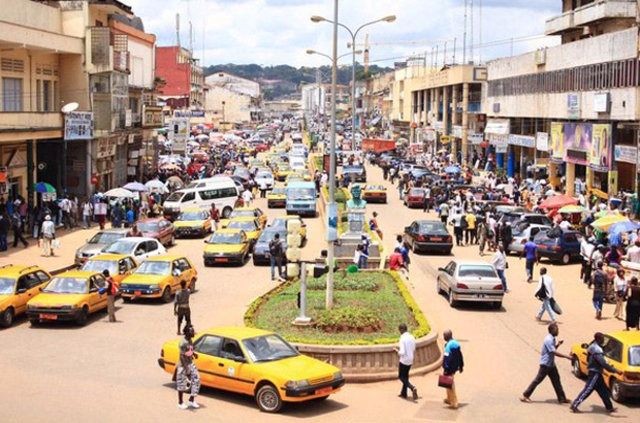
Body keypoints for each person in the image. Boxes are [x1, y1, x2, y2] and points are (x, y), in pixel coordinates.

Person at [570, 332, 622, 413]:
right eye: (602, 339)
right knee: (588, 390)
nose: (603, 340)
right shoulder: (597, 350)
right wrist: (615, 370)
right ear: (598, 339)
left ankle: (609, 407)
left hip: (597, 373)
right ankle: (575, 404)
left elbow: (588, 359)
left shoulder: (592, 346)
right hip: (595, 373)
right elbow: (603, 363)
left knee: (603, 391)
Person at [520, 322, 571, 404]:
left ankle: (562, 398)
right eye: (557, 329)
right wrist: (566, 356)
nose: (558, 331)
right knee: (537, 380)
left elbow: (552, 350)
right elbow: (553, 352)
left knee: (556, 381)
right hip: (546, 364)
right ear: (552, 330)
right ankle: (525, 395)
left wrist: (558, 344)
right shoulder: (548, 339)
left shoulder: (552, 338)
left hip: (551, 364)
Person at [176, 325, 201, 410]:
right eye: (192, 331)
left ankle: (191, 399)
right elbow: (182, 357)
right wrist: (187, 369)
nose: (193, 332)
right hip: (183, 365)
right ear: (187, 333)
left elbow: (190, 349)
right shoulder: (183, 342)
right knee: (181, 384)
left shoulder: (190, 340)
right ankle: (180, 403)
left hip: (190, 362)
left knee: (196, 379)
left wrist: (193, 354)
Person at [395, 323, 418, 400]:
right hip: (410, 359)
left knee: (401, 377)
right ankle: (404, 393)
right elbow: (414, 348)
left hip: (404, 360)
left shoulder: (402, 338)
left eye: (399, 330)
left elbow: (402, 352)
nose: (399, 332)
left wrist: (396, 351)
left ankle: (412, 387)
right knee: (406, 376)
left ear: (402, 330)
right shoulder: (412, 337)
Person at [442, 329, 464, 409]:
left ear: (447, 336)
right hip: (455, 366)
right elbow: (460, 355)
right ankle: (449, 398)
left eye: (444, 335)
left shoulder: (448, 346)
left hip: (449, 368)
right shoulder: (455, 343)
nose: (443, 337)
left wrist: (446, 368)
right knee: (447, 383)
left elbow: (447, 358)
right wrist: (461, 366)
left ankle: (454, 402)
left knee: (450, 385)